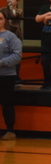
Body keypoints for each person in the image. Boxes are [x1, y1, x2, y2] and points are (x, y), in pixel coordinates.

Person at [0, 10, 21, 140]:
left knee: (7, 103)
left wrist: (1, 63)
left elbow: (17, 56)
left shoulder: (11, 37)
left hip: (6, 76)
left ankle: (10, 130)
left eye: (0, 18)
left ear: (5, 20)